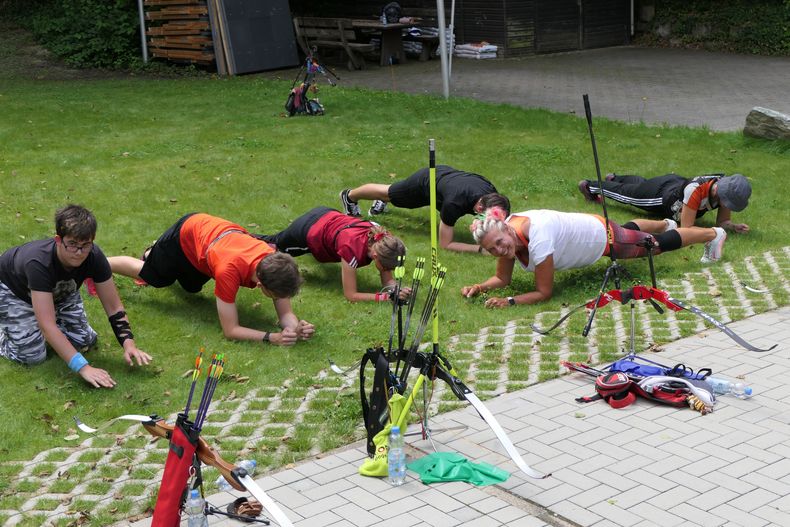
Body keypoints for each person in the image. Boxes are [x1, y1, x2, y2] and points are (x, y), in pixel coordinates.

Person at [0, 205, 151, 388]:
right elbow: (47, 325)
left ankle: (37, 321)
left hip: (59, 292)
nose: (79, 252)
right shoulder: (38, 263)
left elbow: (114, 307)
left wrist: (129, 344)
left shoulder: (94, 257)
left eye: (85, 245)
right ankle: (6, 330)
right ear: (58, 240)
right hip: (14, 291)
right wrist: (83, 367)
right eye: (72, 244)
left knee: (84, 340)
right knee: (31, 357)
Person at [108, 213, 314, 346]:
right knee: (157, 278)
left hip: (209, 246)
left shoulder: (274, 263)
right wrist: (271, 337)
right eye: (277, 296)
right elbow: (231, 330)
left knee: (191, 287)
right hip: (184, 237)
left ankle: (157, 254)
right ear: (261, 284)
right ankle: (104, 263)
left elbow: (285, 312)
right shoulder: (228, 271)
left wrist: (294, 328)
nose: (280, 300)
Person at [461, 207, 727, 308]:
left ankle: (712, 234)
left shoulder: (537, 236)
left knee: (652, 246)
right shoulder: (508, 235)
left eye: (499, 243)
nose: (499, 250)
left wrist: (510, 302)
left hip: (599, 238)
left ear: (507, 228)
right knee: (626, 231)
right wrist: (481, 287)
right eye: (492, 249)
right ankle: (665, 223)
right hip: (594, 224)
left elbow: (544, 293)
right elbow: (501, 277)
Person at [339, 165, 510, 253]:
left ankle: (380, 201)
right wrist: (480, 249)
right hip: (425, 182)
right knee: (390, 193)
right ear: (480, 207)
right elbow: (445, 243)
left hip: (447, 180)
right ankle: (350, 196)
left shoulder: (494, 198)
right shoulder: (454, 204)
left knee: (394, 196)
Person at [258, 207, 408, 303]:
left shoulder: (386, 241)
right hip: (307, 230)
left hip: (327, 214)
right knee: (272, 245)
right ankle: (238, 235)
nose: (389, 270)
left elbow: (387, 279)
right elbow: (351, 295)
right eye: (388, 267)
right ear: (375, 255)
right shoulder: (352, 248)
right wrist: (384, 297)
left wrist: (395, 290)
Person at [578, 173, 751, 233]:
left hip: (674, 183)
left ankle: (615, 178)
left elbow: (723, 222)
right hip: (662, 196)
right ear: (722, 193)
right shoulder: (696, 191)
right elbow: (687, 228)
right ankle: (589, 186)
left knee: (641, 185)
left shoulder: (723, 190)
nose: (728, 206)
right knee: (628, 196)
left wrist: (731, 226)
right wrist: (714, 233)